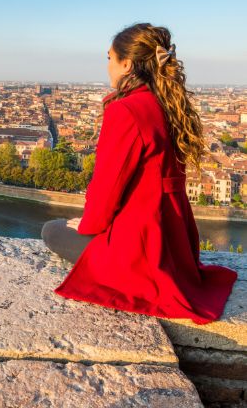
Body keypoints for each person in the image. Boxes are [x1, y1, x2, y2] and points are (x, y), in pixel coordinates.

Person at [41, 23, 237, 325]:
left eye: (109, 58)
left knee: (52, 230)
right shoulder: (169, 103)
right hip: (176, 243)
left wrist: (88, 226)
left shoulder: (126, 111)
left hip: (141, 248)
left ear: (127, 64)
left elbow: (107, 187)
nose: (107, 66)